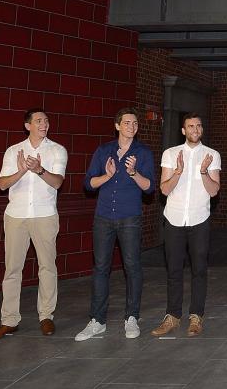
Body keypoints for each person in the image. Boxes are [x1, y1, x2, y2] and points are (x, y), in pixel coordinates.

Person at [0, 109, 68, 340]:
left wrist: (39, 170)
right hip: (16, 216)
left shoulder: (57, 150)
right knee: (12, 269)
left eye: (47, 121)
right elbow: (2, 184)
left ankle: (46, 316)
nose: (44, 124)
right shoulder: (13, 151)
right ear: (27, 125)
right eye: (39, 121)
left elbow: (58, 182)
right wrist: (22, 170)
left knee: (47, 267)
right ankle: (9, 320)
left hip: (45, 215)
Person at [75, 108, 155, 341]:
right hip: (103, 217)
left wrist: (132, 172)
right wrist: (108, 176)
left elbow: (149, 187)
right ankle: (97, 320)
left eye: (135, 123)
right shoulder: (103, 151)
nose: (132, 126)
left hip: (130, 216)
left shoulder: (143, 152)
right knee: (101, 268)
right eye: (127, 122)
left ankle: (132, 317)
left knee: (132, 266)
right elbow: (89, 183)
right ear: (117, 125)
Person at [151, 113, 221, 337]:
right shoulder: (171, 154)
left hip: (199, 219)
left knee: (199, 270)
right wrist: (178, 171)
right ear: (183, 130)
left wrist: (203, 171)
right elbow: (164, 189)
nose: (195, 129)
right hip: (174, 218)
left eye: (199, 125)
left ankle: (196, 317)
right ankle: (172, 316)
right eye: (190, 126)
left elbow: (214, 191)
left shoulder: (212, 155)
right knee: (174, 270)